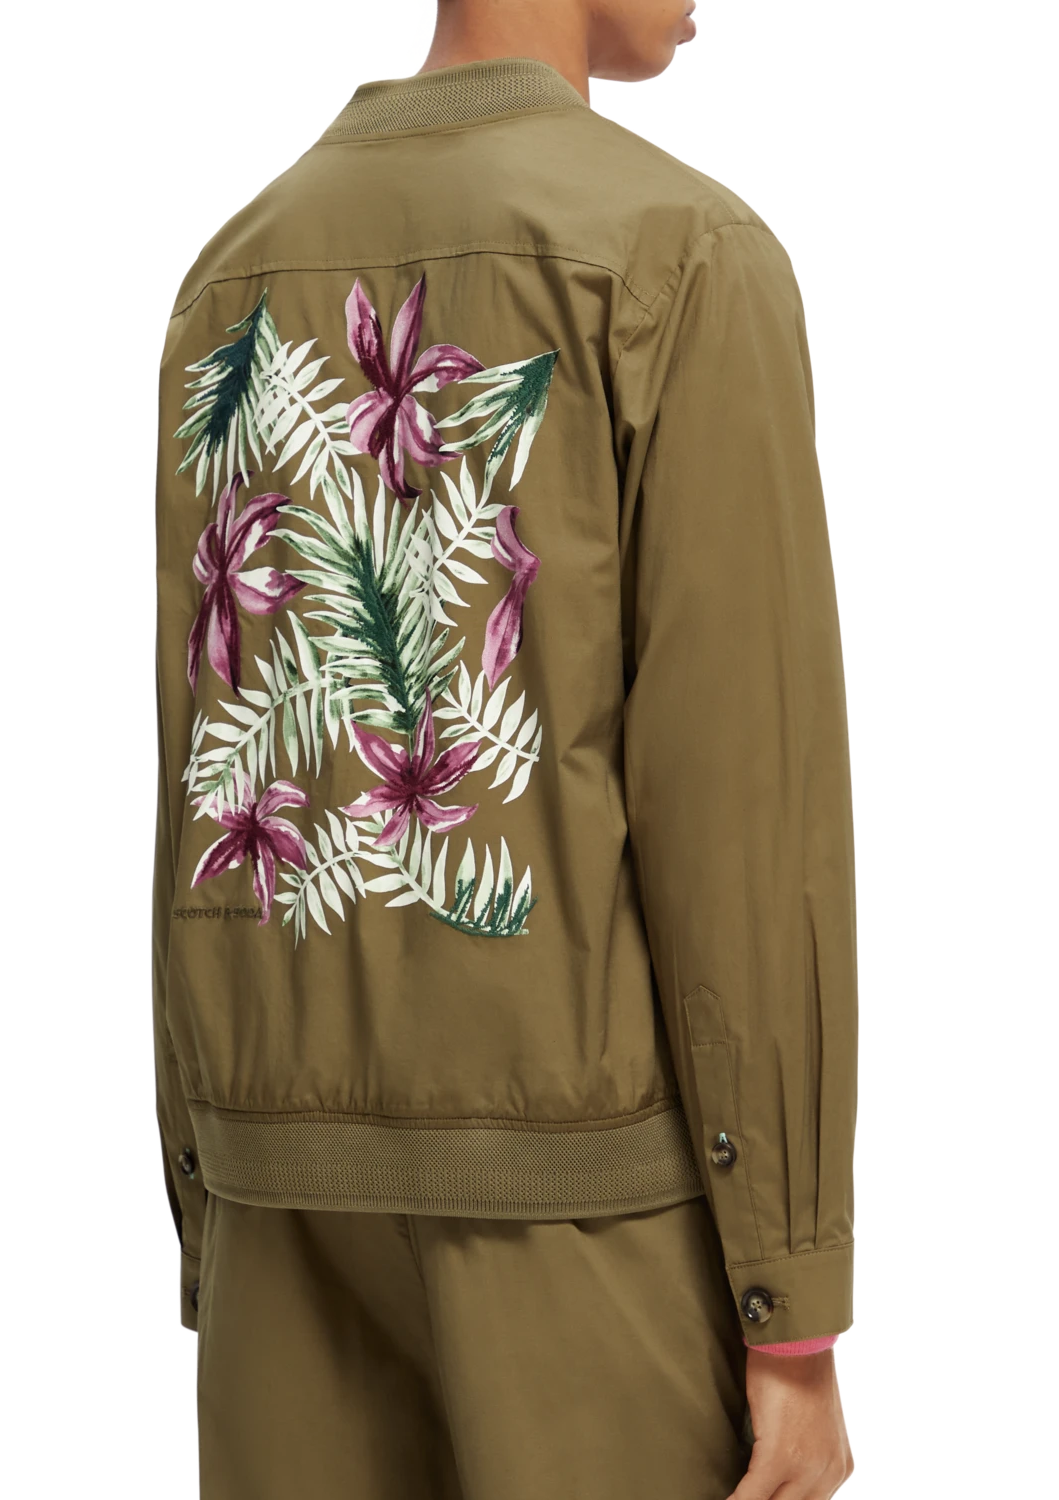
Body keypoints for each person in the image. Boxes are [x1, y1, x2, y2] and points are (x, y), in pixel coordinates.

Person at [151, 2, 859, 1496]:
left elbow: (198, 768)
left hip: (281, 1215)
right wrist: (789, 1300)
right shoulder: (679, 257)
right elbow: (745, 812)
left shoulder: (234, 272)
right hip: (586, 1224)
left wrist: (206, 1196)